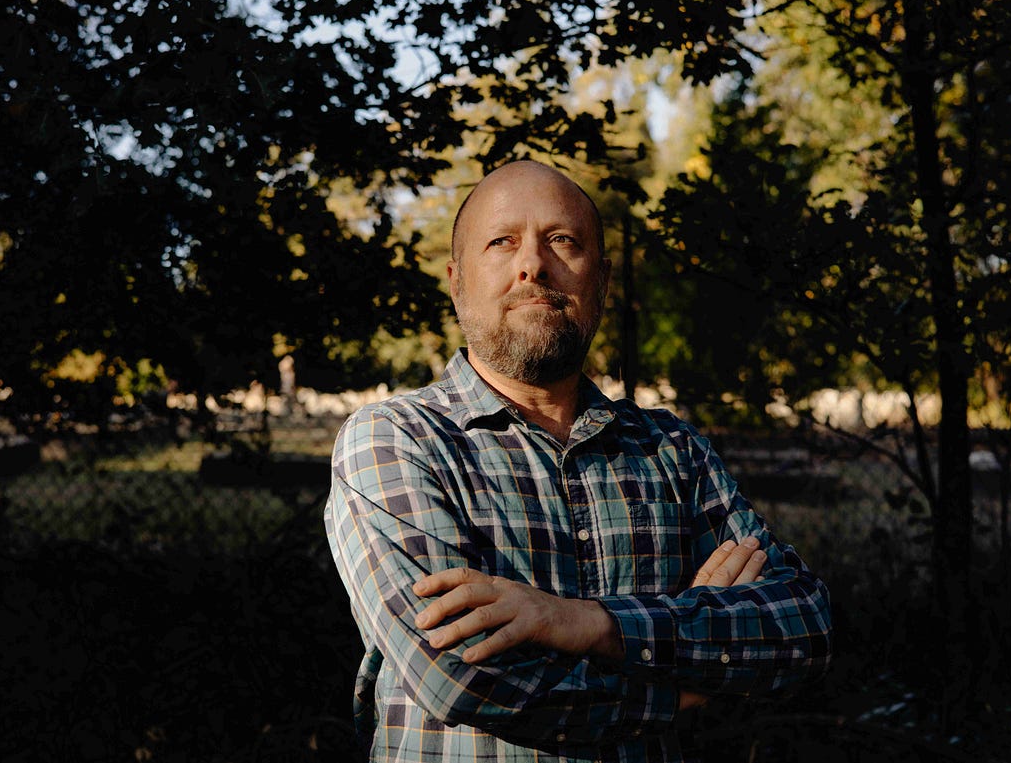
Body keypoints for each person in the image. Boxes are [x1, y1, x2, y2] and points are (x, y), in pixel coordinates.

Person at [325, 159, 832, 762]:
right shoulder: (394, 441)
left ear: (603, 280)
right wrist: (683, 684)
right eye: (501, 241)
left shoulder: (671, 449)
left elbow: (803, 627)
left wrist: (587, 622)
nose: (533, 264)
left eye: (562, 240)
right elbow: (462, 677)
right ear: (457, 281)